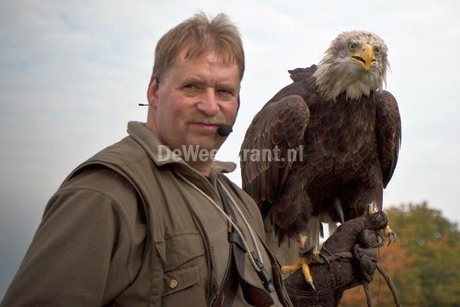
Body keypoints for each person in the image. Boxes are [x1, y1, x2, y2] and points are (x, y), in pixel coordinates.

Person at [1, 12, 388, 307]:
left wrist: (303, 296)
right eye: (191, 87)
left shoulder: (239, 208)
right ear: (154, 91)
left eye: (224, 91)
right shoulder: (106, 196)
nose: (209, 106)